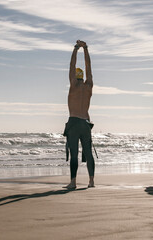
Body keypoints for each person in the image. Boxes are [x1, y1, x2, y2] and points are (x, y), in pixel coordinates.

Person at [63, 40, 95, 190]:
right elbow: (89, 67)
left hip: (75, 122)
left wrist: (76, 49)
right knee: (88, 154)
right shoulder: (89, 86)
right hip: (86, 123)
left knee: (74, 154)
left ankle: (73, 182)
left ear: (75, 77)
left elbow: (71, 65)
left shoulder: (74, 86)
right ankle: (91, 181)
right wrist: (86, 49)